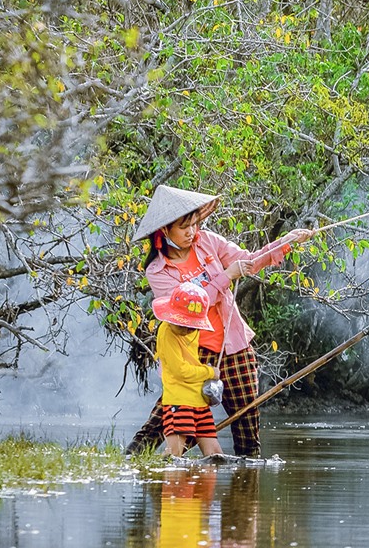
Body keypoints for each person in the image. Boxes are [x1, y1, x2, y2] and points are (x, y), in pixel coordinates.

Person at [127, 185, 316, 457]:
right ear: (164, 231)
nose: (191, 232)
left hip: (233, 344)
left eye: (194, 223)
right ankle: (132, 461)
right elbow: (190, 307)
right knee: (166, 418)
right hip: (192, 349)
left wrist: (286, 241)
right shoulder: (157, 270)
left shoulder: (207, 242)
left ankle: (244, 486)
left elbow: (249, 260)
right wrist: (226, 276)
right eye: (184, 227)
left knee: (246, 422)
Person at [153, 279, 224, 460]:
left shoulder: (193, 331)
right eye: (182, 324)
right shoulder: (167, 332)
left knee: (215, 455)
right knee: (174, 455)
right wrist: (209, 372)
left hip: (199, 401)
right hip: (179, 401)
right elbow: (181, 371)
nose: (186, 330)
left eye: (191, 326)